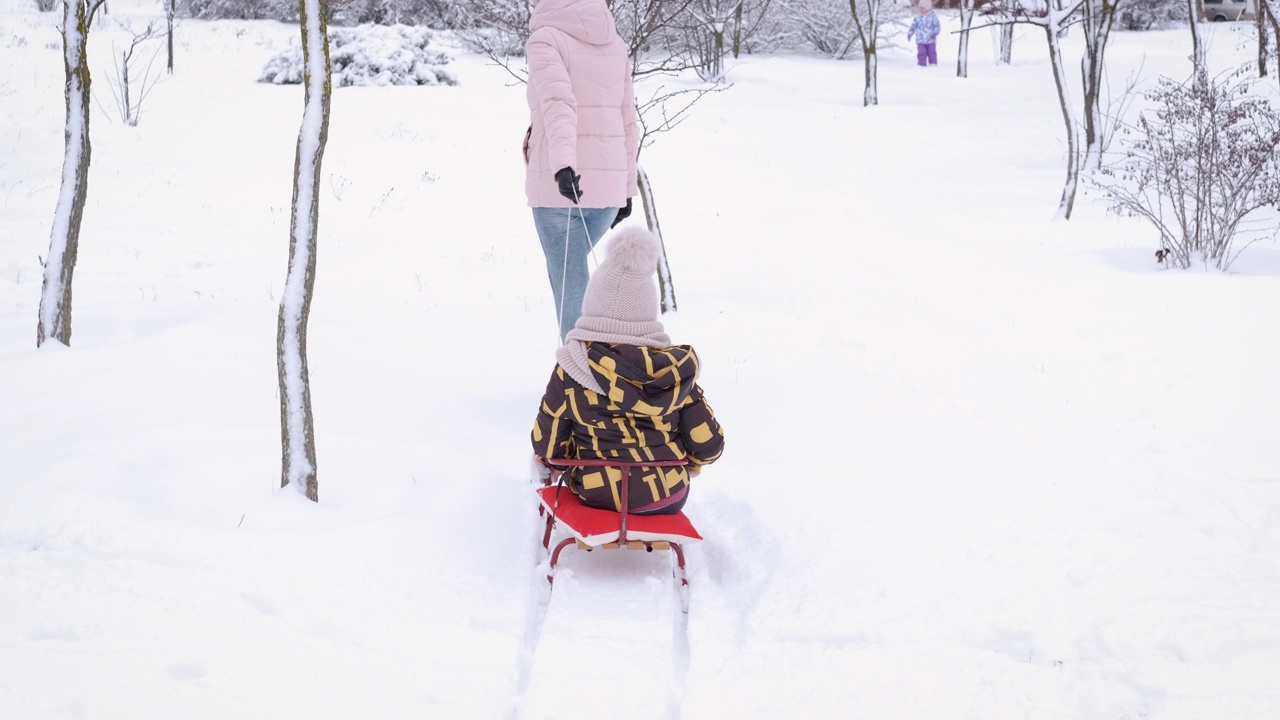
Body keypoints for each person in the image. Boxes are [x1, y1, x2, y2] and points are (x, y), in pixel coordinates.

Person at [531, 226, 725, 516]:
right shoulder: (675, 373)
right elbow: (709, 445)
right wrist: (692, 463)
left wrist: (571, 455)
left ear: (592, 306)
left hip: (597, 493)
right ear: (647, 311)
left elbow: (547, 445)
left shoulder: (572, 367)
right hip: (669, 495)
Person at [524, 0, 640, 341]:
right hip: (607, 191)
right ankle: (603, 363)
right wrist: (627, 188)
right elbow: (627, 117)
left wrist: (562, 166)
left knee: (570, 287)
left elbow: (558, 103)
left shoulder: (546, 38)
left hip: (561, 187)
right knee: (577, 278)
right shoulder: (614, 41)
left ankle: (582, 373)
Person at [907, 0, 941, 67]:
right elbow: (913, 26)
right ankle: (921, 64)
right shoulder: (917, 17)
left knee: (932, 53)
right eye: (920, 8)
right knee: (921, 53)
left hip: (931, 39)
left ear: (928, 8)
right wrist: (910, 32)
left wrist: (935, 33)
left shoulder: (933, 16)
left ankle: (933, 64)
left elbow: (937, 25)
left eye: (923, 8)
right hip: (920, 39)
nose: (921, 9)